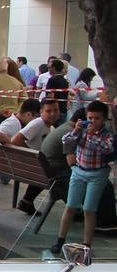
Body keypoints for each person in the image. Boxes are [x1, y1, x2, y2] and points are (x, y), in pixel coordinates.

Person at [53, 100, 114, 253]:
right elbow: (66, 140)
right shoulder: (82, 130)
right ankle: (60, 240)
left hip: (97, 174)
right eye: (90, 118)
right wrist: (76, 131)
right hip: (79, 171)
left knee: (89, 209)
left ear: (104, 119)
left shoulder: (107, 135)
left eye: (97, 118)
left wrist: (91, 135)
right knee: (71, 206)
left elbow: (106, 149)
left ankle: (87, 244)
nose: (93, 121)